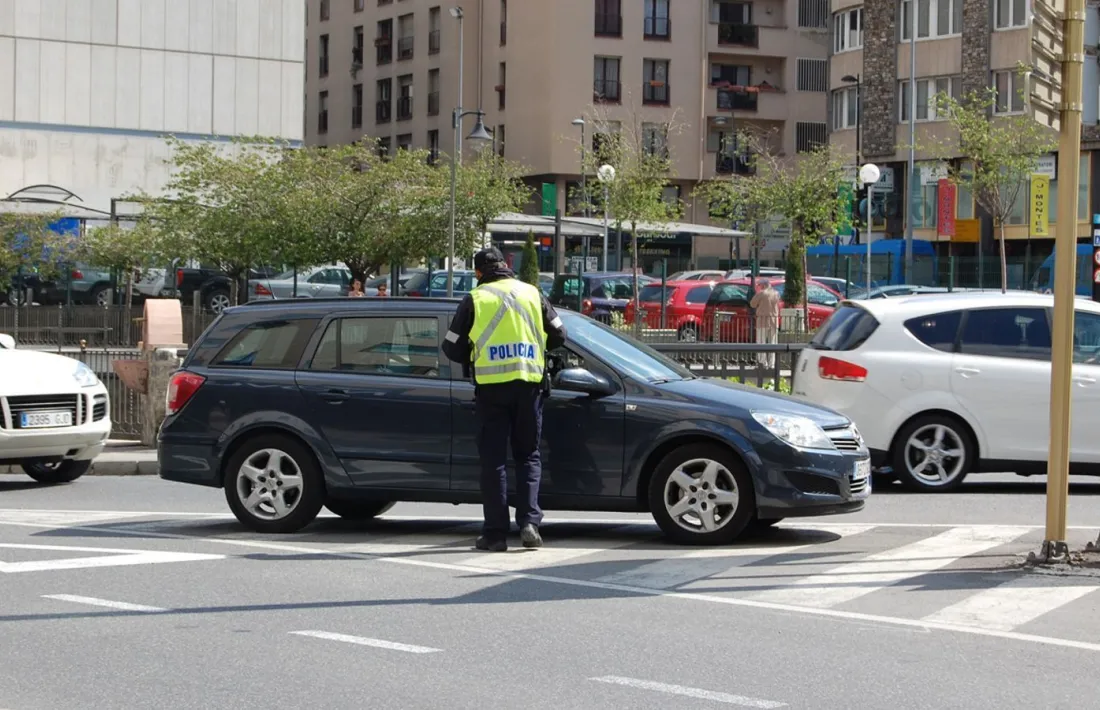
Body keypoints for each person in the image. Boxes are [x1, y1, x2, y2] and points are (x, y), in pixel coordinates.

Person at [441, 248, 567, 552]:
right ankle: (529, 524)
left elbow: (450, 346)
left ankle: (495, 535)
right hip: (529, 386)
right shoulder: (532, 293)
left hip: (492, 389)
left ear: (479, 273)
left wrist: (473, 356)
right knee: (528, 456)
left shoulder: (475, 299)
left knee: (494, 462)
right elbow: (560, 335)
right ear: (506, 266)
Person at [750, 279, 780, 369]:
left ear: (763, 285)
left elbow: (752, 304)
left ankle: (762, 363)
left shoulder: (762, 293)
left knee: (761, 343)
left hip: (762, 321)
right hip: (774, 321)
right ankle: (772, 364)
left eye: (759, 285)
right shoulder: (776, 293)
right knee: (773, 343)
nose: (759, 287)